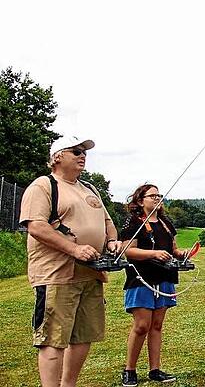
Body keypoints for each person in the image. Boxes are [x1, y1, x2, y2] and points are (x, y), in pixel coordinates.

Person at [19, 135, 122, 387]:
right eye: (76, 151)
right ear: (57, 157)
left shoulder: (90, 188)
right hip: (57, 276)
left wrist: (111, 242)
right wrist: (74, 250)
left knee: (83, 336)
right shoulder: (43, 186)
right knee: (53, 339)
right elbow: (36, 226)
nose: (82, 155)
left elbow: (107, 223)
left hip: (91, 274)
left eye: (84, 151)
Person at [120, 184, 186, 386]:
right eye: (152, 195)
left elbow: (172, 247)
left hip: (164, 278)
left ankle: (155, 370)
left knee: (157, 326)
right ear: (140, 201)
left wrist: (180, 254)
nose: (157, 198)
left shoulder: (166, 222)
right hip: (141, 279)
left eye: (159, 195)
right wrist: (153, 254)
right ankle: (129, 370)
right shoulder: (134, 222)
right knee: (141, 326)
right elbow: (127, 251)